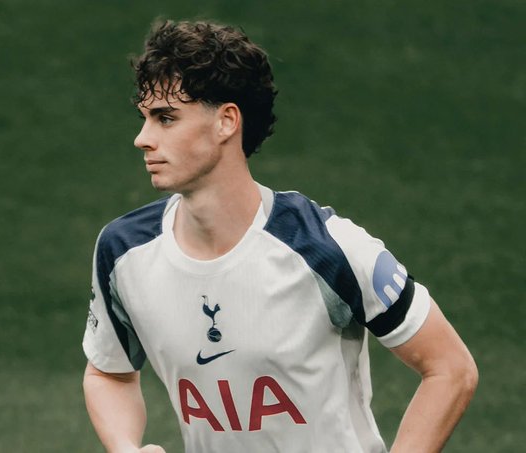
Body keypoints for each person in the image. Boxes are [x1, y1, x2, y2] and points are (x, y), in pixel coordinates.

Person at [82, 19, 478, 453]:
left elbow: (451, 369)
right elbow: (108, 373)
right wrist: (124, 446)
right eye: (145, 119)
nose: (142, 139)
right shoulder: (124, 252)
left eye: (166, 118)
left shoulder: (327, 248)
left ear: (226, 121)